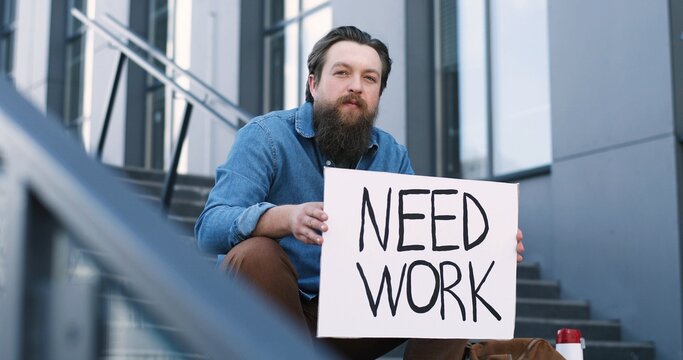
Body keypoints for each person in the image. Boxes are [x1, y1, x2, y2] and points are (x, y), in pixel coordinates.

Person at [195, 25, 525, 360]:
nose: (356, 86)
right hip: (264, 310)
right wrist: (282, 217)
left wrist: (484, 248)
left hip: (347, 315)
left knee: (448, 272)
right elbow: (209, 230)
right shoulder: (266, 136)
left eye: (370, 78)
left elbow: (420, 241)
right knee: (256, 253)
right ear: (313, 84)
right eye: (342, 73)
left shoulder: (392, 155)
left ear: (378, 93)